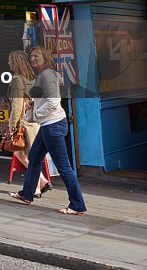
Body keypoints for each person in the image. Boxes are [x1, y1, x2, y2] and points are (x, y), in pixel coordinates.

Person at [9, 46, 87, 216]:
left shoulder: (47, 75)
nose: (33, 59)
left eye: (36, 56)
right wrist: (33, 104)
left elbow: (53, 102)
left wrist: (36, 113)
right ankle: (27, 194)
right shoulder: (42, 75)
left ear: (45, 57)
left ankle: (77, 205)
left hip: (53, 125)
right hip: (47, 126)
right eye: (31, 57)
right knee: (34, 158)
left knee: (64, 167)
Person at [7, 50, 48, 197]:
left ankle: (36, 188)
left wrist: (12, 126)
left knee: (29, 156)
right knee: (20, 153)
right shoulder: (32, 77)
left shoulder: (18, 79)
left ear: (15, 62)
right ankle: (43, 182)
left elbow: (17, 104)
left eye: (10, 60)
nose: (8, 63)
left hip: (26, 122)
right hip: (35, 120)